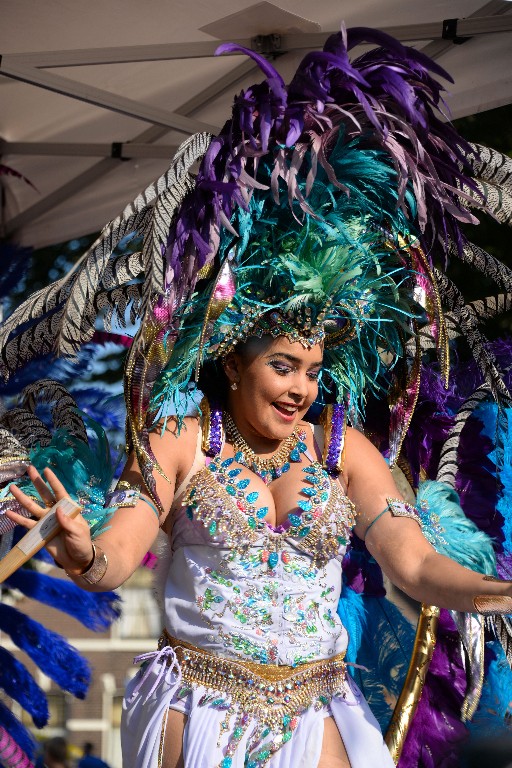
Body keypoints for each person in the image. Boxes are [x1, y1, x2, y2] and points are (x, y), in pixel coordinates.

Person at [3, 23, 512, 768]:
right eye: (282, 366)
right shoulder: (180, 441)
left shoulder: (345, 451)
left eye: (312, 370)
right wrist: (84, 550)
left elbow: (415, 567)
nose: (302, 388)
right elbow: (115, 557)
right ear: (234, 363)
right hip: (197, 710)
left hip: (318, 707)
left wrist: (496, 591)